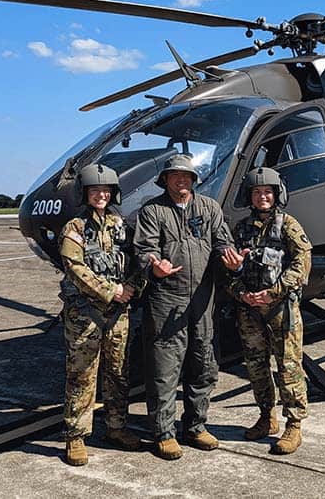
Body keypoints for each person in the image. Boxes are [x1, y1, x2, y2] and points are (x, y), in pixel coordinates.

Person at [133, 153, 233, 460]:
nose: (181, 180)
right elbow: (144, 249)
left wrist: (232, 259)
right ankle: (163, 432)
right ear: (165, 180)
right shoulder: (153, 211)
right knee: (165, 369)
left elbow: (221, 242)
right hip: (166, 300)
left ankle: (195, 426)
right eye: (175, 175)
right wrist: (154, 267)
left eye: (187, 176)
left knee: (203, 364)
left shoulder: (209, 208)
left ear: (193, 180)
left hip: (202, 300)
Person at [222, 167, 312, 454]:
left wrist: (273, 293)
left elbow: (302, 263)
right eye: (257, 192)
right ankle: (266, 416)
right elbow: (231, 271)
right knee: (256, 366)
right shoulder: (242, 229)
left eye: (268, 192)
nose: (263, 196)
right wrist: (243, 294)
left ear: (277, 194)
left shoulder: (288, 226)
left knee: (288, 368)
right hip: (250, 310)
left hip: (280, 309)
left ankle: (294, 425)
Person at [58, 162, 143, 466]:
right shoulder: (75, 229)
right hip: (85, 314)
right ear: (85, 193)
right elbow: (75, 268)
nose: (101, 195)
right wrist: (112, 290)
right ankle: (76, 436)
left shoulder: (121, 226)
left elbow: (137, 260)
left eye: (105, 190)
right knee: (82, 375)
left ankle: (117, 428)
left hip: (118, 313)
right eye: (95, 190)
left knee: (118, 374)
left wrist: (132, 286)